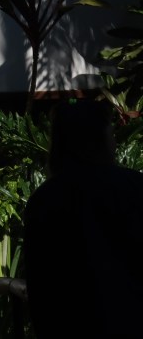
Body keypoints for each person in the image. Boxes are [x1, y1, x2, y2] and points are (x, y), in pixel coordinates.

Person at [24, 99, 143, 339]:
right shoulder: (133, 188)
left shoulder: (44, 200)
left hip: (70, 325)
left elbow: (41, 284)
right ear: (101, 138)